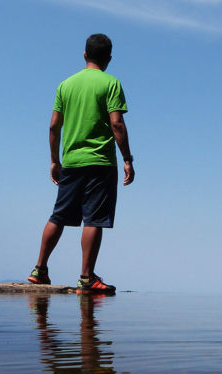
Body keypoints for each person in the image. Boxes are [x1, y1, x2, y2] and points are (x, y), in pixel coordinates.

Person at [28, 33, 134, 294]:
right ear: (109, 59)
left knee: (59, 215)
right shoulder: (111, 83)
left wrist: (55, 160)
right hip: (100, 162)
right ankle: (86, 278)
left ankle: (39, 270)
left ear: (84, 55)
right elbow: (117, 123)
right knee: (94, 220)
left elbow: (54, 125)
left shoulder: (66, 85)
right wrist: (128, 159)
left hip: (72, 161)